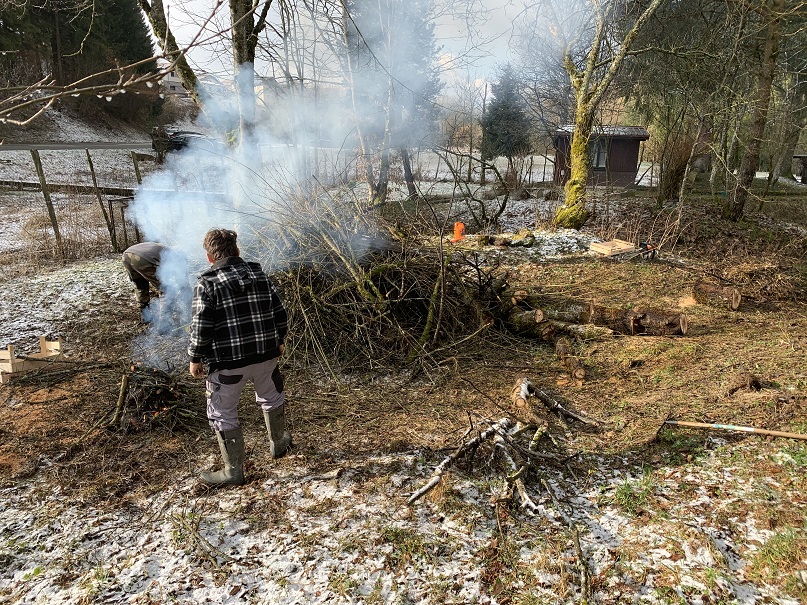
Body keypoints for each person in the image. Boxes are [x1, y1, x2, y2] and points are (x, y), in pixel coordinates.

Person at [188, 228, 290, 486]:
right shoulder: (260, 275)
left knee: (222, 412)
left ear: (210, 257)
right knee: (272, 397)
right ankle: (279, 443)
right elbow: (280, 313)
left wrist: (195, 358)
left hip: (228, 365)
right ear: (237, 251)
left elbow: (201, 327)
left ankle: (233, 472)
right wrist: (280, 340)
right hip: (265, 356)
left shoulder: (207, 284)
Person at [122, 242, 167, 309]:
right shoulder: (170, 254)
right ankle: (165, 314)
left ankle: (143, 309)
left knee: (140, 283)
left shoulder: (158, 246)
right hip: (141, 259)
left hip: (126, 256)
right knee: (165, 289)